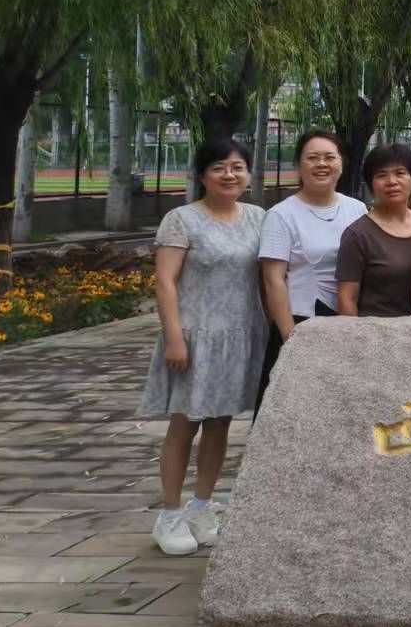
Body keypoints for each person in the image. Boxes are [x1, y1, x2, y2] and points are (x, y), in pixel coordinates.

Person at [142, 137, 267, 555]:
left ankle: (201, 506)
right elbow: (165, 282)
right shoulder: (182, 220)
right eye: (219, 167)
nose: (229, 175)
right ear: (202, 175)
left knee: (220, 423)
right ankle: (170, 514)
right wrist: (174, 337)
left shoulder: (258, 218)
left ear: (248, 174)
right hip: (195, 337)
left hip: (241, 336)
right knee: (185, 422)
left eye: (237, 167)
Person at [257, 129, 366, 411]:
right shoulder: (281, 215)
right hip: (301, 321)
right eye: (313, 158)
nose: (322, 164)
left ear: (341, 163)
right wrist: (289, 337)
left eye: (330, 157)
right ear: (299, 165)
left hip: (350, 319)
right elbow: (273, 280)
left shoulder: (357, 209)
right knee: (295, 410)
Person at [335, 143, 411, 317]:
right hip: (377, 330)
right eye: (382, 175)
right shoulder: (357, 235)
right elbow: (347, 299)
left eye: (400, 173)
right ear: (371, 184)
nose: (392, 182)